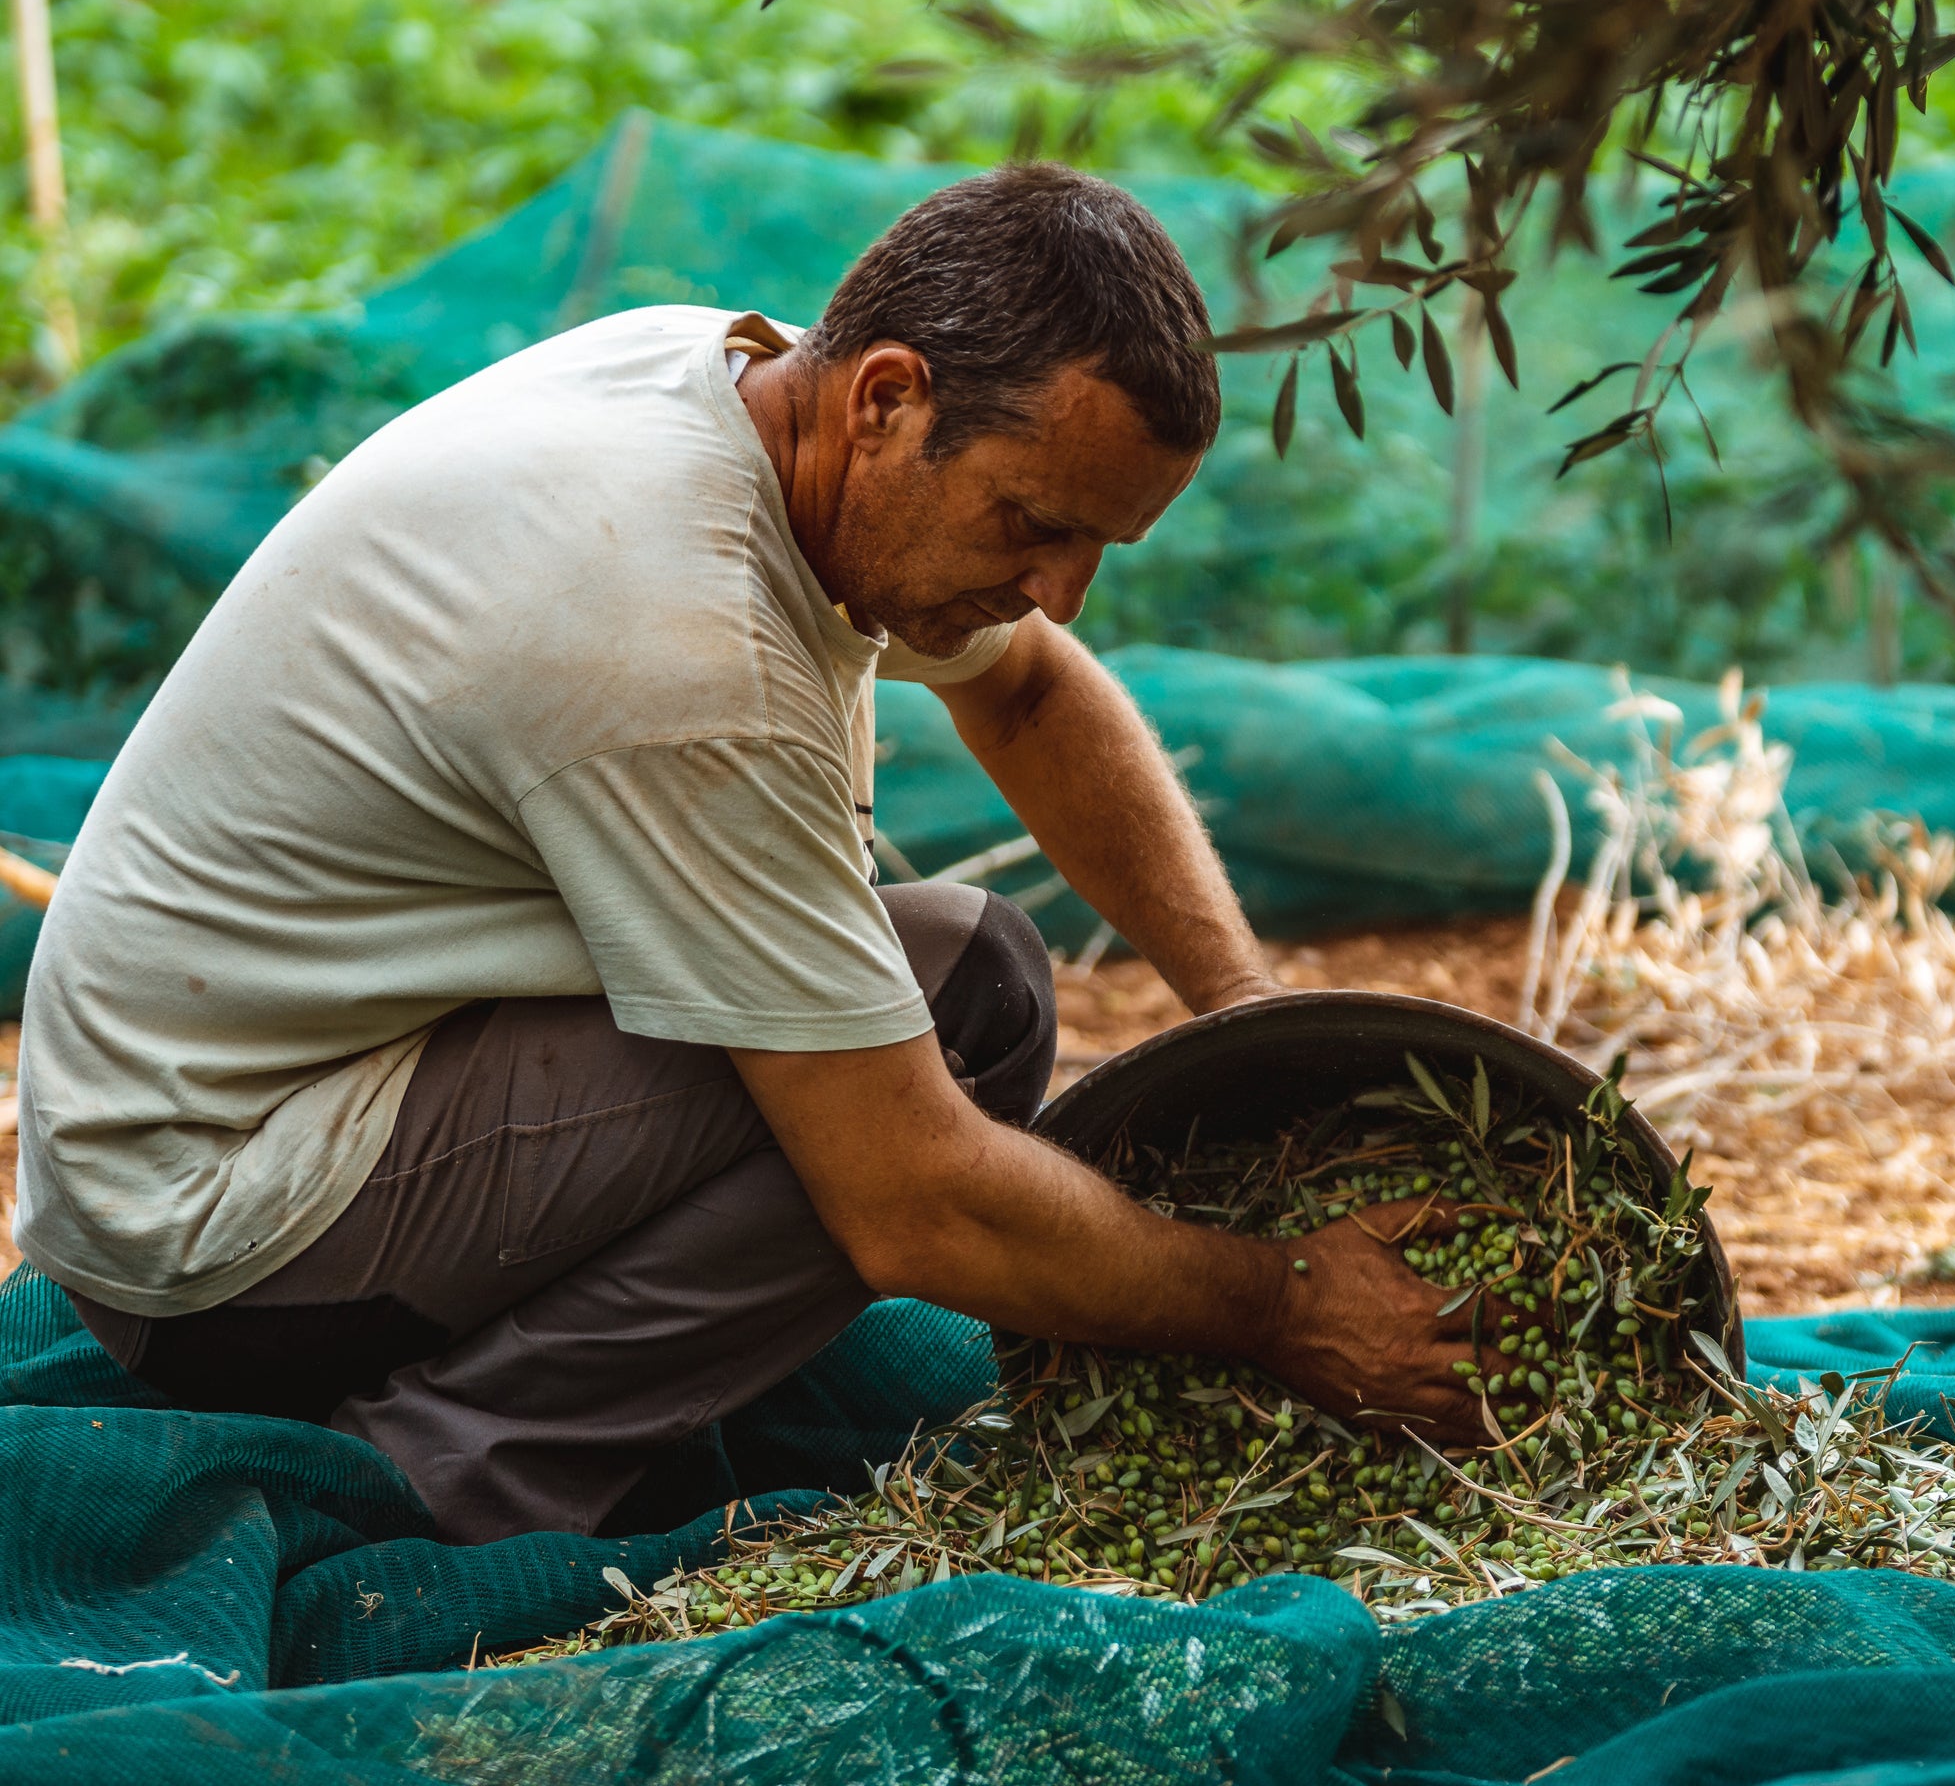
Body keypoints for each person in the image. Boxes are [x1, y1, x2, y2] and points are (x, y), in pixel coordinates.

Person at [15, 163, 1485, 1546]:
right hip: (217, 1232)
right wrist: (1285, 1303)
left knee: (940, 991)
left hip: (270, 1094)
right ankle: (451, 1470)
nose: (1061, 592)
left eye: (1099, 546)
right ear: (890, 398)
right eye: (1034, 524)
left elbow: (1032, 691)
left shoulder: (744, 385)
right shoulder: (677, 637)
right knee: (954, 1016)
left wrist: (1256, 1023)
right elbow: (915, 1202)